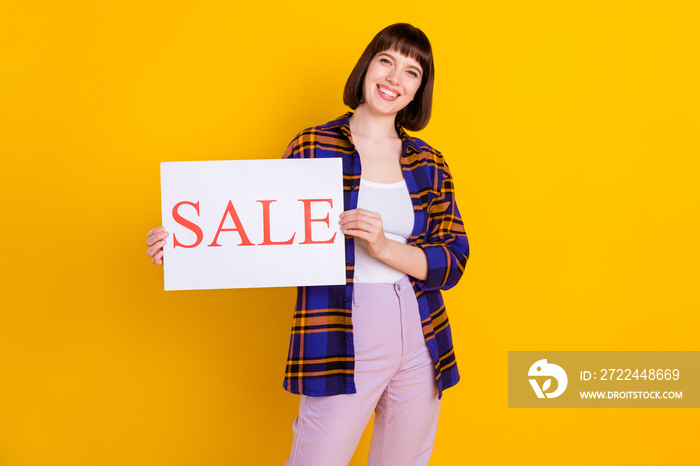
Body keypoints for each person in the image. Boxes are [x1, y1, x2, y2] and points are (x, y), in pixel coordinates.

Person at [146, 23, 469, 466]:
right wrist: (185, 247)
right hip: (342, 324)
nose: (395, 78)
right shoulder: (313, 144)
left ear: (418, 91)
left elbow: (453, 258)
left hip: (420, 330)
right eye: (386, 62)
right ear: (367, 67)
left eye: (411, 72)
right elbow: (261, 234)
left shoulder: (429, 162)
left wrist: (383, 247)